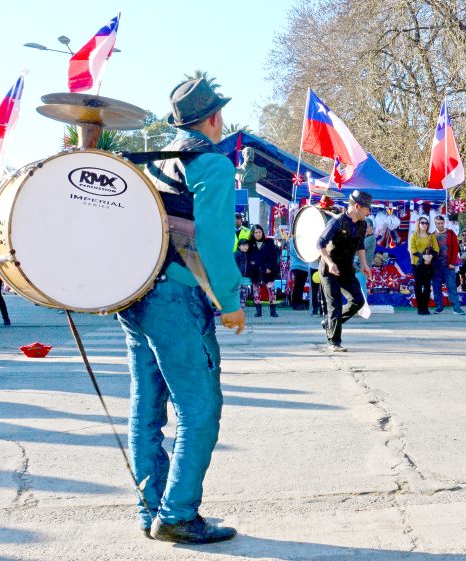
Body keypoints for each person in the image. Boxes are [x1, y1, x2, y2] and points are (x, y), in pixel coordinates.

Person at [118, 76, 245, 544]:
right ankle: (177, 514)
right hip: (176, 296)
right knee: (199, 408)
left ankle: (151, 508)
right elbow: (213, 242)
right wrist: (229, 303)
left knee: (146, 407)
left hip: (138, 293)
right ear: (214, 119)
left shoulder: (158, 160)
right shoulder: (210, 162)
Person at [317, 190, 372, 352]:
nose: (368, 211)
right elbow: (319, 244)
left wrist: (364, 265)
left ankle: (330, 324)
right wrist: (329, 262)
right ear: (356, 206)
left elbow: (360, 244)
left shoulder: (362, 224)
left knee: (358, 301)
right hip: (330, 269)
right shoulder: (337, 222)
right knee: (335, 306)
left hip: (347, 268)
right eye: (366, 208)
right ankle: (334, 342)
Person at [246, 224, 280, 318]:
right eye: (255, 232)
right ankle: (258, 310)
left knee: (271, 290)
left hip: (268, 270)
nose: (258, 234)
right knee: (256, 291)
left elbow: (273, 256)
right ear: (253, 234)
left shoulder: (269, 241)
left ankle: (273, 310)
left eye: (259, 232)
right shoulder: (250, 244)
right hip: (255, 271)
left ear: (262, 232)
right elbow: (249, 257)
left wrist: (269, 267)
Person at [409, 216, 439, 315]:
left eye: (426, 223)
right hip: (417, 264)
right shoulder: (414, 235)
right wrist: (423, 256)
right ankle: (420, 308)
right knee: (418, 286)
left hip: (428, 264)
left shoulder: (431, 236)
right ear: (418, 224)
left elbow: (436, 249)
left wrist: (430, 256)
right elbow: (412, 249)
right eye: (422, 223)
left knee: (427, 286)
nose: (424, 225)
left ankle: (425, 308)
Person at [354, 217, 376, 295]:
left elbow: (358, 248)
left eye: (367, 227)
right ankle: (362, 306)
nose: (364, 229)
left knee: (361, 287)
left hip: (363, 267)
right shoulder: (365, 238)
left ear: (372, 228)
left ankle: (364, 306)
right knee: (359, 287)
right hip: (359, 267)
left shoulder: (371, 238)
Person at [235, 238, 251, 310]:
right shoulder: (236, 255)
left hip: (245, 279)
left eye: (247, 245)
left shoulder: (248, 255)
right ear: (239, 246)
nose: (246, 247)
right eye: (243, 245)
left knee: (244, 295)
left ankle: (242, 310)